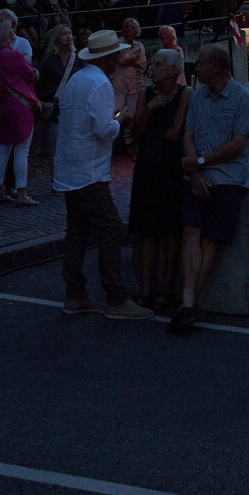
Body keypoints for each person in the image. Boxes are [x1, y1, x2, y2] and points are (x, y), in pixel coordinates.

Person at [52, 29, 153, 319]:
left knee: (78, 231)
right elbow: (104, 129)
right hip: (89, 171)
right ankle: (116, 297)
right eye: (117, 55)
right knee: (109, 229)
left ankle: (75, 294)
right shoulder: (100, 84)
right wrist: (121, 120)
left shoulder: (77, 80)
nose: (120, 59)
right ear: (109, 58)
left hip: (70, 167)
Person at [168, 43, 249, 333]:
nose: (197, 67)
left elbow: (239, 144)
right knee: (190, 230)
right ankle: (187, 302)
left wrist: (201, 162)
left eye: (203, 63)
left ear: (218, 68)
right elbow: (189, 133)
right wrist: (195, 171)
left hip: (228, 177)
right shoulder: (198, 96)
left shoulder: (243, 98)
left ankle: (188, 300)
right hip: (197, 173)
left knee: (211, 238)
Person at [128, 48, 191, 310]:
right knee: (146, 231)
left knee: (169, 231)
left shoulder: (186, 94)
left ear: (174, 71)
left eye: (158, 64)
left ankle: (165, 288)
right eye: (152, 63)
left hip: (171, 170)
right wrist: (150, 109)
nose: (152, 69)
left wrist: (149, 131)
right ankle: (145, 289)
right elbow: (136, 128)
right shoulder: (147, 94)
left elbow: (176, 132)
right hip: (147, 168)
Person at [0, 18, 38, 206]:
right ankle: (22, 193)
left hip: (0, 106)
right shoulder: (13, 55)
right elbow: (30, 73)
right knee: (22, 150)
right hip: (19, 106)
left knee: (2, 148)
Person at [37, 23, 82, 167]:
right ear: (56, 38)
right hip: (56, 110)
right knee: (56, 148)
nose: (69, 36)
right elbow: (40, 86)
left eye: (69, 33)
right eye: (64, 33)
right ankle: (56, 182)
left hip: (75, 108)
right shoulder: (48, 62)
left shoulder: (78, 60)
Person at [110, 17, 147, 156]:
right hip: (119, 83)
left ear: (136, 31)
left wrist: (131, 60)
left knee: (132, 114)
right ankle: (114, 143)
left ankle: (129, 143)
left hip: (135, 84)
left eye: (130, 27)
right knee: (115, 111)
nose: (127, 29)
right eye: (125, 26)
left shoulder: (140, 46)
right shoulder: (118, 43)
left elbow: (142, 64)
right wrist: (132, 59)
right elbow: (123, 60)